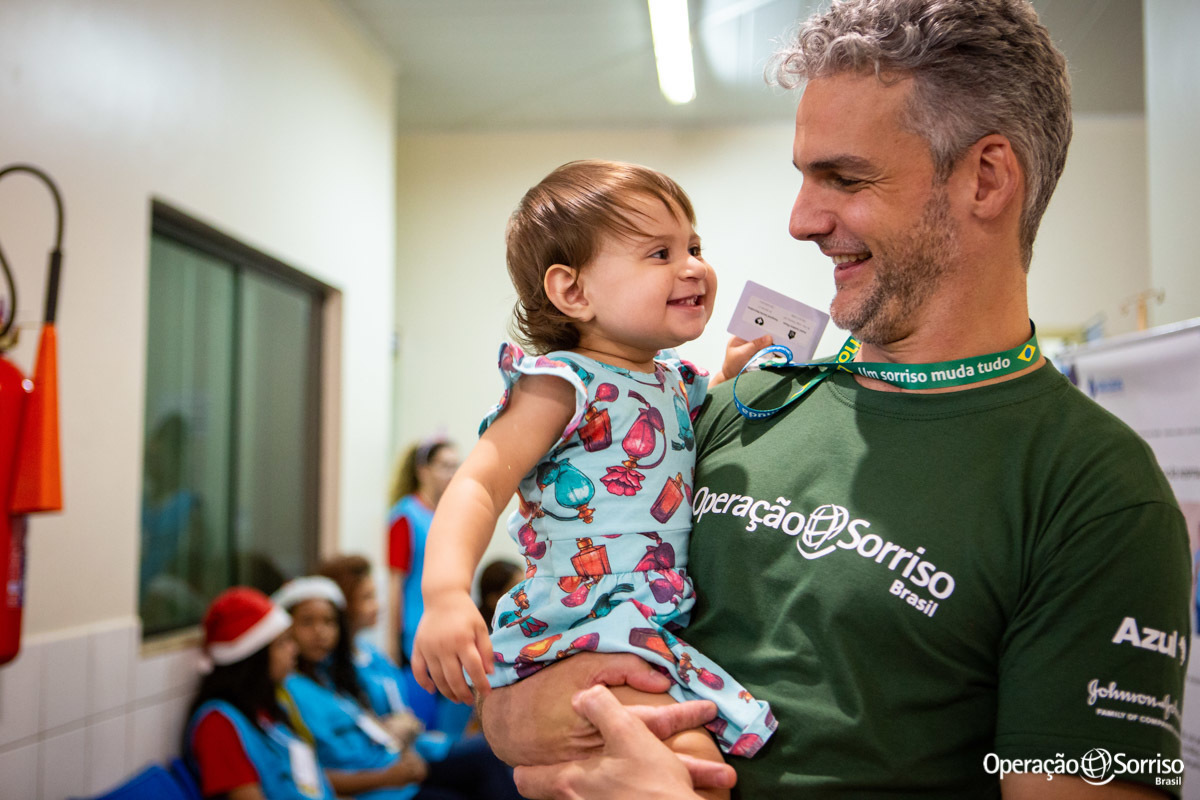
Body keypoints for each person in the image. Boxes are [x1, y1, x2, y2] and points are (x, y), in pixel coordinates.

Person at [478, 2, 1192, 799]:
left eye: (845, 178)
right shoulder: (738, 405)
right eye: (804, 177)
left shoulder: (1098, 494)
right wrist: (515, 713)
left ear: (986, 178)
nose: (801, 221)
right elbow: (528, 674)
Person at [410, 158, 776, 799]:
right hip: (580, 624)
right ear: (573, 293)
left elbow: (681, 433)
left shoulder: (673, 380)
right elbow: (480, 483)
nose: (692, 265)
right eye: (659, 253)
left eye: (694, 245)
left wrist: (728, 376)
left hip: (651, 622)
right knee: (691, 763)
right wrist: (444, 593)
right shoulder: (562, 383)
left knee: (693, 763)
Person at [275, 576, 521, 800]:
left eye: (328, 622)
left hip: (399, 759)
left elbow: (373, 727)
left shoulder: (332, 675)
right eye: (307, 623)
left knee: (488, 758)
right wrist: (390, 775)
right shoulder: (289, 692)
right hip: (379, 783)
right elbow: (308, 773)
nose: (320, 632)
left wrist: (404, 749)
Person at [184, 586, 337, 800]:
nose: (293, 650)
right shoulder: (218, 725)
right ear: (254, 657)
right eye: (283, 643)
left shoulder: (263, 709)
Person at [388, 437, 468, 734]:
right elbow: (395, 583)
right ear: (423, 470)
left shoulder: (450, 514)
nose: (452, 473)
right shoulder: (405, 516)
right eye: (445, 465)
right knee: (423, 724)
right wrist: (393, 644)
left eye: (455, 466)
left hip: (451, 631)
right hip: (416, 634)